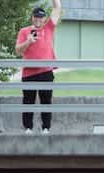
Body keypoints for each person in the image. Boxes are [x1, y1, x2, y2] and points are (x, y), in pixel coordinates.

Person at [14, 0, 62, 133]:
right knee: (28, 101)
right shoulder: (24, 31)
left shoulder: (49, 27)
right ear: (32, 17)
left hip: (46, 71)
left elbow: (57, 8)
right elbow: (18, 51)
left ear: (44, 18)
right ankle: (28, 128)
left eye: (41, 17)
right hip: (29, 73)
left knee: (46, 101)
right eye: (36, 17)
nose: (38, 20)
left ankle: (46, 128)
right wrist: (28, 41)